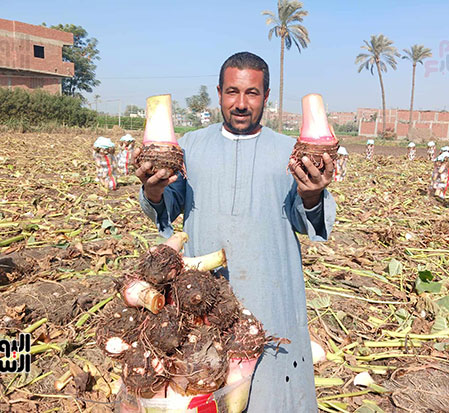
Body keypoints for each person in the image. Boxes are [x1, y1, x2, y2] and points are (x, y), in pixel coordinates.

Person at [135, 51, 336, 412]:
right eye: (232, 92)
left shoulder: (290, 152)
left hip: (269, 297)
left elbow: (308, 218)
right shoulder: (191, 146)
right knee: (202, 380)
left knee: (272, 391)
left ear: (267, 96)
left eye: (252, 93)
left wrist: (313, 194)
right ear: (218, 93)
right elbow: (168, 203)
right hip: (201, 299)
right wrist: (152, 190)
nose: (241, 103)